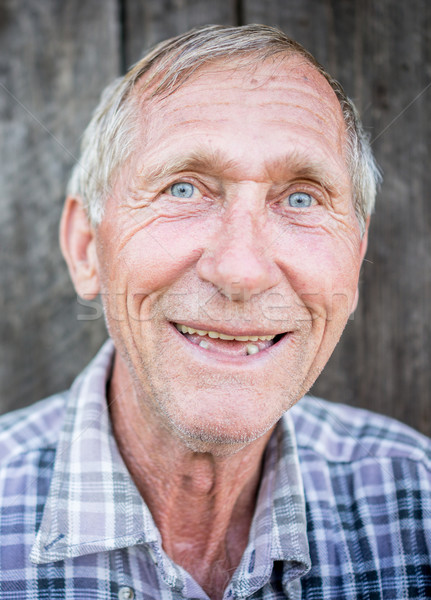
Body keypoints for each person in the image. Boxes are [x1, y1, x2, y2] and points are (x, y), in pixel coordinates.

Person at [1, 24, 430, 600]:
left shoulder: (417, 501)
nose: (241, 270)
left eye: (300, 198)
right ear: (86, 247)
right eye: (183, 189)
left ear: (355, 258)